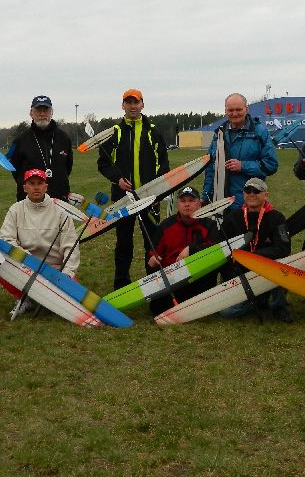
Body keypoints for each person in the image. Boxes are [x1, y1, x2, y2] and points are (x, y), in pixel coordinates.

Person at [97, 89, 169, 290]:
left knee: (152, 242)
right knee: (123, 243)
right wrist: (117, 179)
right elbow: (103, 163)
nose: (132, 106)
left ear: (142, 105)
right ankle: (121, 285)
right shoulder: (114, 132)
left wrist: (157, 193)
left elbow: (163, 165)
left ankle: (155, 284)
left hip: (150, 197)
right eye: (128, 103)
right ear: (123, 106)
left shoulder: (153, 131)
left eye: (136, 102)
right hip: (123, 198)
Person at [0, 168, 80, 315]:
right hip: (26, 266)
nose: (36, 187)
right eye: (31, 183)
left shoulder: (61, 210)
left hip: (55, 269)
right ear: (25, 188)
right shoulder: (15, 209)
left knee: (74, 295)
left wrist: (67, 274)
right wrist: (27, 260)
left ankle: (54, 295)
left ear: (46, 187)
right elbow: (5, 239)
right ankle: (23, 299)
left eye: (40, 183)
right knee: (0, 263)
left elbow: (71, 246)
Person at [219, 177, 292, 322]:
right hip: (241, 274)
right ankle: (257, 300)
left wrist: (252, 256)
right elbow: (222, 248)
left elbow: (284, 248)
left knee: (282, 263)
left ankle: (279, 306)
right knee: (228, 312)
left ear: (266, 195)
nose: (252, 194)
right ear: (243, 194)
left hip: (267, 270)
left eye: (257, 191)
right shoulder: (232, 217)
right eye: (248, 190)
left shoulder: (277, 217)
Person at [146, 186, 221, 316]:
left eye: (191, 200)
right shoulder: (166, 225)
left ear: (199, 204)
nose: (187, 204)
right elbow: (152, 252)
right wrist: (152, 260)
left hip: (199, 279)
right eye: (183, 201)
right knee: (158, 309)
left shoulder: (209, 224)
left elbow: (216, 250)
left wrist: (192, 249)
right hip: (172, 280)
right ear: (177, 205)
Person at [202, 93, 278, 209]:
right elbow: (210, 168)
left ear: (246, 109)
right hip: (220, 203)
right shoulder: (219, 134)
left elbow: (271, 165)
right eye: (230, 110)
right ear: (225, 111)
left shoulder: (259, 132)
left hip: (248, 203)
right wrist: (205, 196)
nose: (234, 113)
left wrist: (243, 166)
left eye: (238, 109)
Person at [8, 95, 74, 202]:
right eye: (38, 110)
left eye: (46, 110)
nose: (42, 114)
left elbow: (68, 167)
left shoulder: (64, 138)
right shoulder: (20, 140)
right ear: (31, 113)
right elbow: (16, 170)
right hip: (29, 201)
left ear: (51, 112)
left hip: (59, 200)